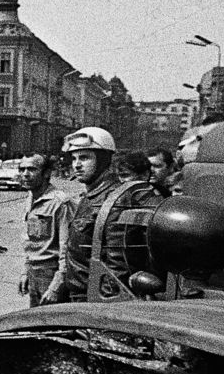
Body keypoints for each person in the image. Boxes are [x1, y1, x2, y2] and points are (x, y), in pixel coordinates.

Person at [62, 127, 158, 301]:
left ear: (104, 160)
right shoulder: (91, 196)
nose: (76, 165)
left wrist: (102, 306)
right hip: (77, 295)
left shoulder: (116, 201)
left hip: (93, 300)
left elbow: (118, 270)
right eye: (74, 158)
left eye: (84, 158)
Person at [16, 154, 74, 307]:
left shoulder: (60, 202)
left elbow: (67, 248)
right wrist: (25, 271)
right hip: (34, 273)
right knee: (36, 325)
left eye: (32, 169)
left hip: (52, 274)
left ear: (47, 173)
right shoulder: (31, 198)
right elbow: (31, 240)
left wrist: (56, 286)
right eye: (22, 169)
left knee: (52, 326)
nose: (25, 174)